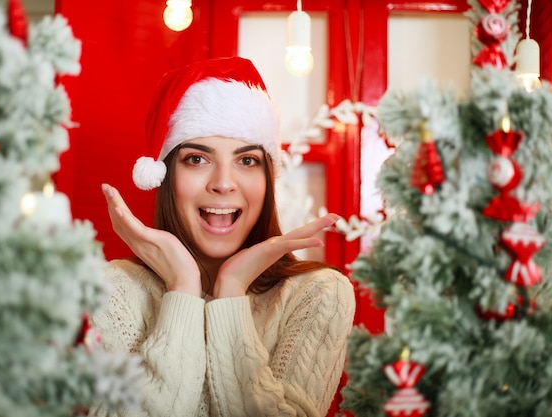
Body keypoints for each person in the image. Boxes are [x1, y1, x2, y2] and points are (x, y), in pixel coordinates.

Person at [90, 56, 356, 417]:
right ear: (165, 177)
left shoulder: (319, 293)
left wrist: (230, 292)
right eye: (197, 159)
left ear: (267, 179)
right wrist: (182, 287)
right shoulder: (111, 290)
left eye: (247, 161)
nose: (224, 183)